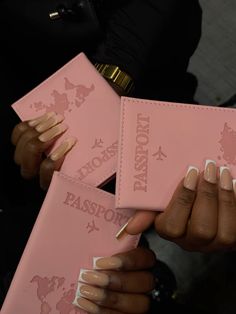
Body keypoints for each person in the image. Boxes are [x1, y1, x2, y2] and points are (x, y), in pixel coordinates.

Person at [0, 0, 203, 312]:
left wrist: (111, 77)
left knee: (159, 164)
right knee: (87, 248)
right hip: (28, 84)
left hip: (140, 54)